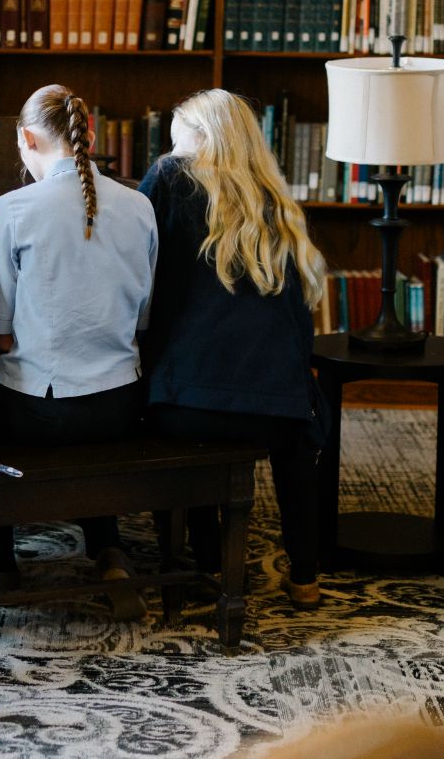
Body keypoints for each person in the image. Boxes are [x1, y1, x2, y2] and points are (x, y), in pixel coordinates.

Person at [0, 84, 159, 621]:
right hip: (122, 406)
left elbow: (1, 333)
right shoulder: (140, 205)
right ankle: (108, 548)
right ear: (90, 136)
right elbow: (143, 318)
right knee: (85, 423)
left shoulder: (12, 207)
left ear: (27, 139)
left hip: (38, 412)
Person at [137, 89, 330, 606]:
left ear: (201, 139)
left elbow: (135, 268)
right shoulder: (277, 202)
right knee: (297, 433)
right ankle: (305, 576)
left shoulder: (169, 178)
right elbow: (296, 321)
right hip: (275, 410)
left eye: (180, 142)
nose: (174, 151)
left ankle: (208, 563)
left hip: (185, 405)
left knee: (190, 417)